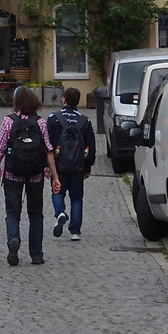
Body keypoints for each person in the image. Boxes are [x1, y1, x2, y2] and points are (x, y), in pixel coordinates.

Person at [0, 86, 61, 266]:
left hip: (12, 173)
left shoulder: (8, 121)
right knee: (36, 214)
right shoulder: (40, 122)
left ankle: (13, 239)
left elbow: (0, 148)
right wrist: (55, 176)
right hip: (35, 174)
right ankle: (36, 254)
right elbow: (48, 151)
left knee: (12, 212)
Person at [46, 86, 95, 241]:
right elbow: (91, 147)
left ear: (64, 100)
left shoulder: (53, 118)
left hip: (58, 164)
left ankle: (60, 212)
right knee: (76, 197)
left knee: (57, 191)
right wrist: (88, 167)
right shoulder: (85, 120)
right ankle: (75, 231)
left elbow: (46, 143)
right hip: (78, 165)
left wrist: (46, 165)